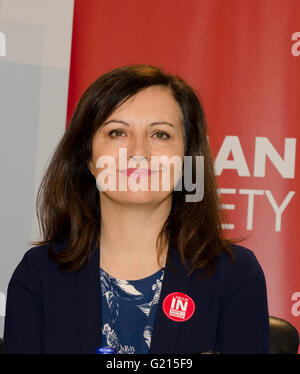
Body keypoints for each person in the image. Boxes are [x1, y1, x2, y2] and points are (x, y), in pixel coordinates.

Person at [3, 64, 270, 354]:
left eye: (161, 135)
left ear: (187, 161)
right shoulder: (39, 273)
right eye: (117, 133)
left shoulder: (234, 274)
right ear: (88, 159)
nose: (138, 152)